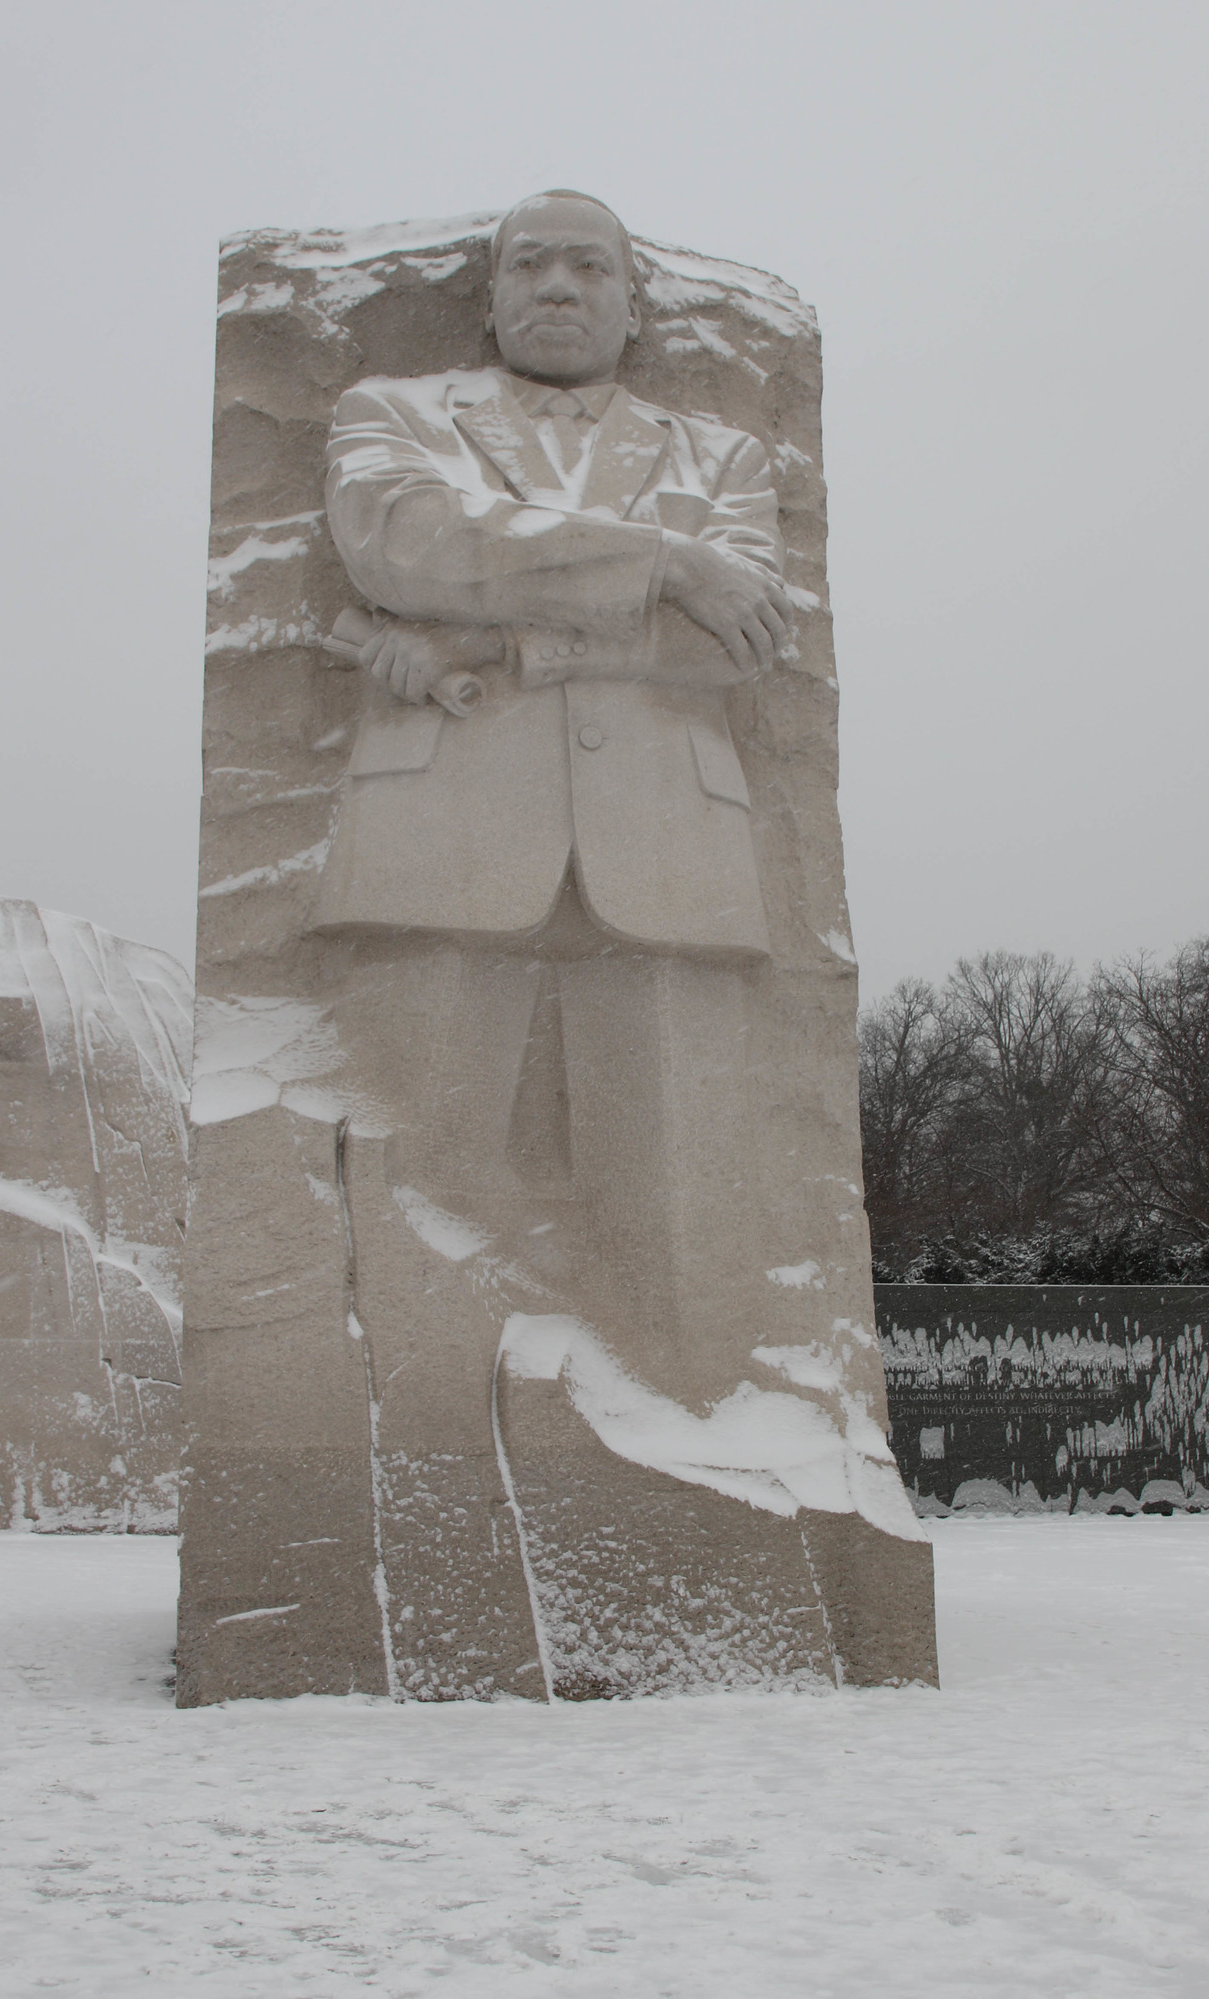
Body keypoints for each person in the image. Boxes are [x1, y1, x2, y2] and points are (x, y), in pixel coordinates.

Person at [313, 192, 801, 1699]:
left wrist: (516, 639)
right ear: (491, 295)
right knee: (415, 1197)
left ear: (636, 307)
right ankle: (407, 1520)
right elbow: (402, 544)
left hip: (670, 859)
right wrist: (655, 565)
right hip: (438, 851)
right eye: (533, 262)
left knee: (676, 1225)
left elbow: (743, 638)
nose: (561, 286)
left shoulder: (723, 455)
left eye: (592, 265)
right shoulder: (396, 410)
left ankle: (695, 1514)